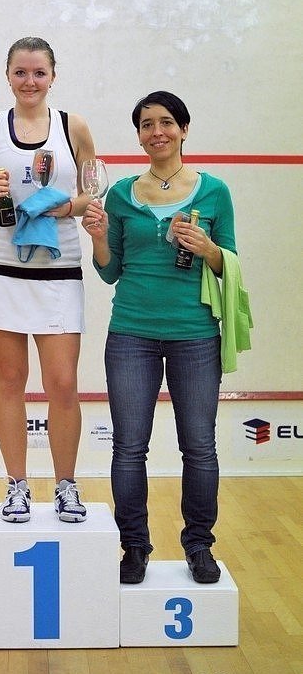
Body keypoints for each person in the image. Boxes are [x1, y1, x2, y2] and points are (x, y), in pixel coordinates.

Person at [83, 91, 238, 583]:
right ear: (139, 136)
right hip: (131, 333)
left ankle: (199, 546)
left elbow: (229, 263)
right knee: (129, 448)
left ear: (184, 130)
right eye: (147, 124)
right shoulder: (120, 195)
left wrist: (207, 248)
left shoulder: (215, 192)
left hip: (196, 335)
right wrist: (99, 237)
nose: (157, 132)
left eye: (166, 122)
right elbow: (110, 272)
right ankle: (134, 548)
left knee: (200, 447)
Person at [0, 37, 96, 523]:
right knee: (9, 381)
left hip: (59, 271)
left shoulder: (74, 127)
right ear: (8, 76)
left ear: (53, 76)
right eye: (21, 72)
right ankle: (16, 485)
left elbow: (92, 193)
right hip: (1, 268)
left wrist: (68, 206)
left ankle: (66, 485)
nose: (30, 81)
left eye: (39, 72)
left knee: (62, 383)